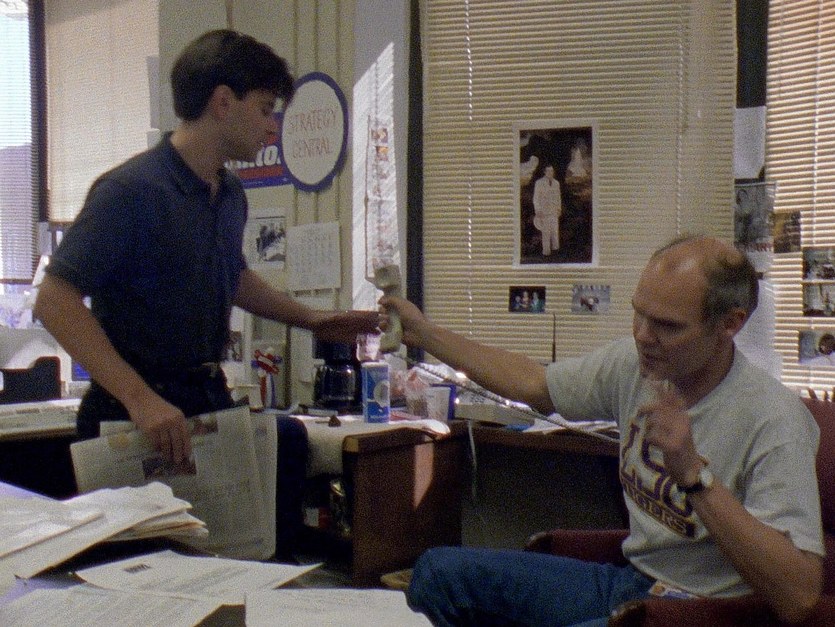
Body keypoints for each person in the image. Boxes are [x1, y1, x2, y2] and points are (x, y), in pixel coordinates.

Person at [33, 29, 379, 559]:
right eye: (264, 109)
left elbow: (232, 277)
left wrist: (314, 320)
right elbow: (54, 300)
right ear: (222, 102)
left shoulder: (230, 192)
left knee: (238, 556)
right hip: (132, 409)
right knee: (143, 576)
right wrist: (140, 399)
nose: (272, 126)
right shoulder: (131, 191)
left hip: (201, 400)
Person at [380, 235, 824, 626]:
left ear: (730, 324)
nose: (643, 336)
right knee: (438, 574)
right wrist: (424, 333)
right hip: (632, 585)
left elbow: (799, 597)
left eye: (667, 326)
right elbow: (534, 384)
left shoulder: (774, 419)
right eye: (638, 314)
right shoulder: (635, 364)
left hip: (702, 612)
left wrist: (693, 475)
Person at [532, 164, 562, 256]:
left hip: (554, 211)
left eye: (551, 171)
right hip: (543, 211)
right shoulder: (539, 183)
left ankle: (556, 250)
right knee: (546, 232)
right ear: (545, 172)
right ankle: (546, 252)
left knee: (555, 231)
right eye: (548, 171)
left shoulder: (556, 183)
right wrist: (538, 210)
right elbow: (536, 198)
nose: (550, 172)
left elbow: (558, 197)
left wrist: (559, 208)